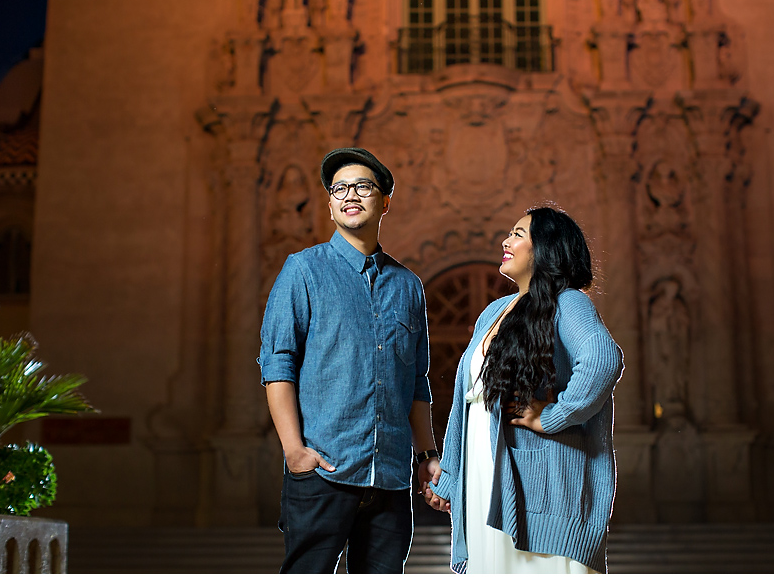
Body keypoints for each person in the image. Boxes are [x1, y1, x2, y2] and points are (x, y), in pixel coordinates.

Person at [258, 147, 441, 573]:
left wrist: (425, 455)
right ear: (331, 203)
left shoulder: (408, 286)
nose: (350, 195)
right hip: (324, 471)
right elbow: (277, 365)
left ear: (385, 202)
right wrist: (294, 452)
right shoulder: (302, 271)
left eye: (363, 186)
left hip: (392, 478)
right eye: (339, 188)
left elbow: (416, 381)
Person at [423, 205, 624, 574]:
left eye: (517, 234)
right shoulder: (495, 311)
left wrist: (551, 417)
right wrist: (450, 479)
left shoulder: (569, 302)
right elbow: (467, 405)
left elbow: (602, 361)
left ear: (546, 248)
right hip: (485, 476)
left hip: (542, 486)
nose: (505, 240)